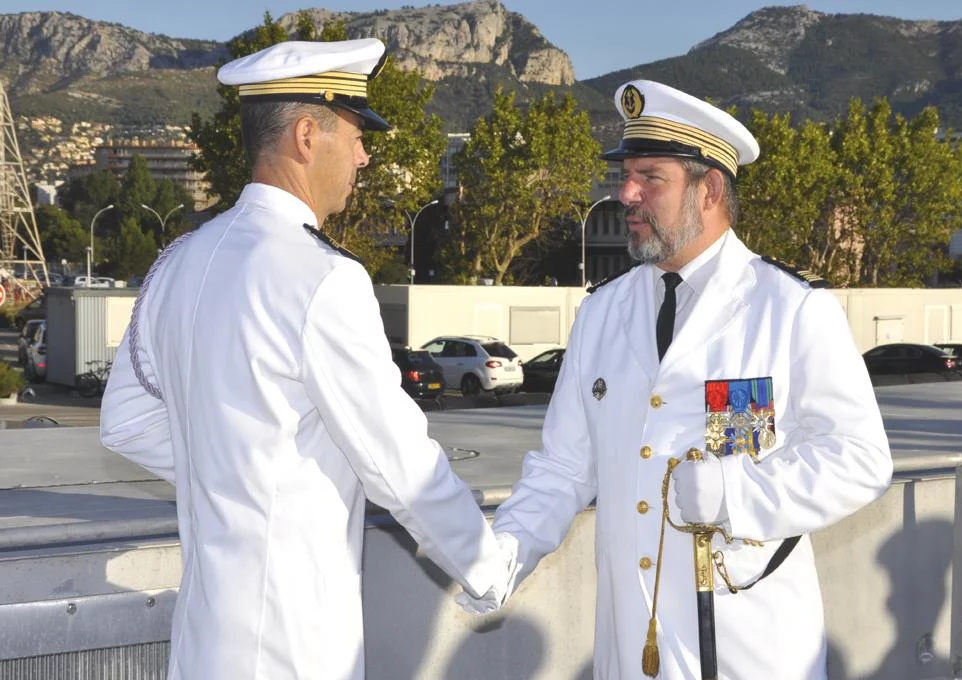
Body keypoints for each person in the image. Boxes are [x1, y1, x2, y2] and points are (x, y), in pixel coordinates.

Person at [100, 39, 514, 680]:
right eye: (354, 134)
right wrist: (487, 570)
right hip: (294, 649)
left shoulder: (178, 261)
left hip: (203, 648)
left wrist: (239, 475)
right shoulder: (323, 278)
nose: (364, 154)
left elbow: (125, 419)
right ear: (305, 136)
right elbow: (396, 462)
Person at [456, 79, 893, 679]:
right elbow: (563, 467)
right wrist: (503, 556)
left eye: (650, 178)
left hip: (750, 649)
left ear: (709, 188)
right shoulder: (601, 313)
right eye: (625, 176)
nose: (626, 195)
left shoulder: (789, 309)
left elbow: (860, 458)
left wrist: (733, 494)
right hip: (635, 650)